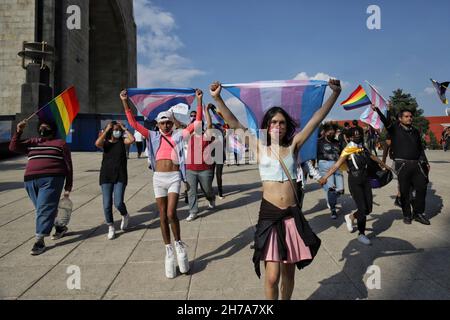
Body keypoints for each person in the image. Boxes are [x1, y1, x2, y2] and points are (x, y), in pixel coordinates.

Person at [209, 79, 342, 300]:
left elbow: (317, 118)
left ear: (286, 126)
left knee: (289, 272)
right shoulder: (259, 147)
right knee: (272, 277)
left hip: (291, 214)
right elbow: (234, 124)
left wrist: (334, 94)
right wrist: (218, 98)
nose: (277, 126)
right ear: (267, 126)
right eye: (273, 123)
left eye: (281, 123)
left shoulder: (294, 145)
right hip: (270, 214)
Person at [120, 89, 204, 279]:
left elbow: (197, 123)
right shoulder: (152, 136)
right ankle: (168, 250)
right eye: (162, 123)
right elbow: (133, 122)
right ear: (158, 125)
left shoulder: (178, 136)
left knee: (171, 213)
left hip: (174, 177)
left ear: (172, 123)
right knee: (162, 216)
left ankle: (179, 244)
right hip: (158, 178)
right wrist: (125, 102)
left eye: (168, 122)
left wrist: (199, 100)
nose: (166, 125)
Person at [9, 119, 73, 255]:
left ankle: (39, 240)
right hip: (30, 180)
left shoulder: (60, 143)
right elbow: (13, 147)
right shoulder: (33, 142)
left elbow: (68, 165)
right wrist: (19, 131)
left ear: (53, 129)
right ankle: (59, 227)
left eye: (47, 127)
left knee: (44, 209)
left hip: (52, 179)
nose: (43, 129)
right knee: (43, 208)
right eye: (41, 127)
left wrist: (68, 185)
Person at [319, 128, 388, 245]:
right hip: (355, 181)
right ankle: (361, 234)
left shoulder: (362, 147)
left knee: (368, 209)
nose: (358, 137)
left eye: (359, 134)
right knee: (362, 208)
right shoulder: (348, 150)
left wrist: (384, 164)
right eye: (355, 135)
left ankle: (350, 217)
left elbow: (371, 156)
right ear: (349, 137)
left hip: (366, 180)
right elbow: (336, 165)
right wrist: (325, 177)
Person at [371, 104, 430, 225]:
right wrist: (378, 110)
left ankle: (418, 213)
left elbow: (420, 148)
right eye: (406, 116)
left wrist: (426, 162)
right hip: (402, 165)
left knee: (421, 189)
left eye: (411, 116)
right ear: (400, 119)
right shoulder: (394, 129)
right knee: (404, 191)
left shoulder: (415, 131)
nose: (410, 118)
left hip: (417, 164)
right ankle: (407, 215)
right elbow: (386, 121)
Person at [95, 121, 135, 240]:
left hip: (120, 175)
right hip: (106, 175)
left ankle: (125, 215)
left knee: (118, 202)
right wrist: (106, 130)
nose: (116, 131)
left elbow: (132, 139)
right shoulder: (106, 143)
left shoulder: (123, 142)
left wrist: (124, 128)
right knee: (107, 204)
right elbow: (97, 143)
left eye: (118, 130)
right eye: (115, 129)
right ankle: (111, 226)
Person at [183, 102, 216, 222]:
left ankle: (211, 199)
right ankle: (193, 212)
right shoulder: (188, 137)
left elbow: (210, 124)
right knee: (191, 191)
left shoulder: (206, 136)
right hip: (190, 169)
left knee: (207, 189)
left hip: (205, 169)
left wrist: (206, 110)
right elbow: (180, 125)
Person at [317, 123, 344, 219]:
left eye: (333, 131)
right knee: (331, 188)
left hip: (336, 166)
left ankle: (330, 198)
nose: (331, 133)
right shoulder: (319, 142)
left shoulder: (337, 142)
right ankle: (333, 209)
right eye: (329, 131)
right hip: (324, 165)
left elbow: (342, 155)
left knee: (340, 190)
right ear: (325, 132)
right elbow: (312, 156)